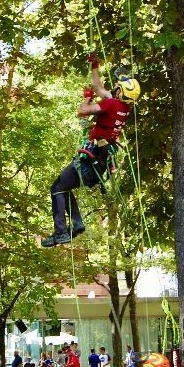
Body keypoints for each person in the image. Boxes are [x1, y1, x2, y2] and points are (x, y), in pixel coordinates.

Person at [42, 55, 141, 247]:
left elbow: (82, 111)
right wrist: (95, 67)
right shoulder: (122, 107)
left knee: (57, 188)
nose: (116, 87)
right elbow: (99, 87)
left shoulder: (112, 104)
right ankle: (76, 224)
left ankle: (62, 232)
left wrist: (87, 98)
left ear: (122, 92)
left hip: (91, 160)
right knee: (61, 187)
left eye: (119, 87)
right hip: (98, 162)